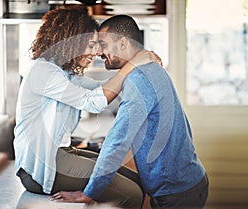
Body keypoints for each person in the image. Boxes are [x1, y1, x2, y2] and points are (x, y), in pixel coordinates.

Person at [50, 15, 209, 209]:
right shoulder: (150, 69)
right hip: (187, 182)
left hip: (177, 193)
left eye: (103, 44)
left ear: (123, 43)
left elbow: (117, 143)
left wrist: (88, 192)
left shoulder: (139, 79)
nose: (99, 52)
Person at [14, 8, 161, 209]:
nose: (96, 53)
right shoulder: (43, 71)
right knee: (132, 194)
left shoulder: (64, 72)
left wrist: (139, 69)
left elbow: (99, 89)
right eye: (91, 45)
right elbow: (94, 102)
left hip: (61, 153)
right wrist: (134, 63)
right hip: (40, 169)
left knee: (136, 179)